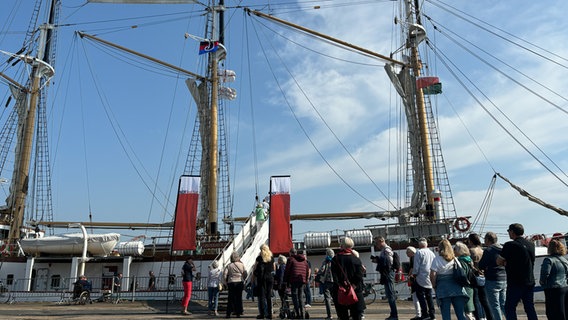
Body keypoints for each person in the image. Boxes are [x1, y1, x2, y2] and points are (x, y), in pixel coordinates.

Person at [496, 223, 538, 320]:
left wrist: (506, 263)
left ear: (512, 232)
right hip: (529, 280)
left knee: (510, 307)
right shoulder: (531, 244)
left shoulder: (510, 245)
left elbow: (498, 261)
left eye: (509, 231)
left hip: (515, 281)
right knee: (529, 307)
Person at [430, 239, 468, 320]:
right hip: (457, 288)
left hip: (443, 288)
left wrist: (434, 286)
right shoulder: (455, 259)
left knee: (446, 315)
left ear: (440, 248)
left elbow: (433, 274)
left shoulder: (437, 259)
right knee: (461, 314)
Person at [331, 236, 366, 320]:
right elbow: (359, 275)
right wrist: (353, 285)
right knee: (356, 315)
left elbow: (334, 276)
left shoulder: (335, 259)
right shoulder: (356, 259)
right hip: (355, 291)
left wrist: (341, 286)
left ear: (342, 246)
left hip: (340, 291)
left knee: (343, 316)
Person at [479, 232, 506, 320]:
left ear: (487, 240)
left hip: (492, 279)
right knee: (503, 304)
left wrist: (486, 267)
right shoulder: (503, 248)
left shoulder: (488, 250)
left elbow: (481, 265)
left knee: (494, 305)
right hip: (504, 278)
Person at [539, 239, 568, 320]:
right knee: (563, 311)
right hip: (564, 287)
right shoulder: (564, 260)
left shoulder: (548, 260)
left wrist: (542, 282)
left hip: (552, 289)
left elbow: (545, 273)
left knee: (552, 312)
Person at [467, 233, 493, 320]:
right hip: (483, 276)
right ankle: (489, 317)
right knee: (485, 300)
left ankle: (479, 317)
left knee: (475, 300)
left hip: (474, 276)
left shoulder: (471, 250)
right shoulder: (482, 250)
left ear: (471, 241)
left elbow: (470, 265)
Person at [372, 235, 398, 320]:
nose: (376, 245)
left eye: (376, 243)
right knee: (389, 294)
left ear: (380, 241)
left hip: (388, 274)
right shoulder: (384, 250)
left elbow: (388, 263)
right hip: (388, 273)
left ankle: (394, 315)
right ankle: (393, 314)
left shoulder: (386, 250)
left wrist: (379, 261)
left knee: (390, 294)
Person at [413, 237, 436, 320]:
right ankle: (432, 314)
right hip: (430, 276)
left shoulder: (419, 252)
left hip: (421, 277)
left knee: (421, 296)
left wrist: (414, 274)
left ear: (419, 245)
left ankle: (425, 313)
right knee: (429, 296)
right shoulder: (432, 253)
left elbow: (416, 266)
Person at [284, 247, 310, 319]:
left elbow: (287, 271)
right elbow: (307, 271)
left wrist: (285, 281)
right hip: (302, 280)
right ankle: (302, 314)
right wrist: (306, 280)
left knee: (295, 296)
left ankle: (298, 314)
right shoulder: (304, 261)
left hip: (294, 280)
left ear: (291, 253)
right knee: (300, 297)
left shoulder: (290, 259)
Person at [252, 244, 276, 319]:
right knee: (269, 297)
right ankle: (270, 314)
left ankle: (262, 314)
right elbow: (274, 268)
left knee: (261, 297)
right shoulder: (271, 258)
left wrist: (253, 279)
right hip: (269, 278)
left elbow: (255, 269)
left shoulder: (259, 258)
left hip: (261, 279)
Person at [454, 241, 475, 320]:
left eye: (455, 249)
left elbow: (462, 276)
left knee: (467, 312)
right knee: (469, 311)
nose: (454, 251)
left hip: (465, 288)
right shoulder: (468, 259)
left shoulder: (461, 261)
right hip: (470, 287)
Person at [225, 252, 247, 318]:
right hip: (239, 282)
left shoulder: (229, 265)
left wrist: (225, 283)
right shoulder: (241, 265)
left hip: (231, 282)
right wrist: (244, 278)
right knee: (239, 298)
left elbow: (225, 274)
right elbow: (245, 273)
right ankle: (238, 313)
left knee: (230, 298)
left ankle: (228, 313)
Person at [406, 246, 422, 320]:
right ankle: (420, 313)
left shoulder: (413, 258)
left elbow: (412, 268)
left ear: (412, 252)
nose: (406, 253)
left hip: (414, 280)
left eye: (408, 252)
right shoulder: (415, 257)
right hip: (419, 279)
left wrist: (409, 277)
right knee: (419, 296)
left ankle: (418, 314)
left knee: (415, 297)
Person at [319, 248, 335, 320]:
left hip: (327, 281)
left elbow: (321, 270)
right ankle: (340, 314)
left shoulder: (325, 261)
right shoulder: (336, 260)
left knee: (327, 299)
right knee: (336, 298)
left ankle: (330, 315)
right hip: (335, 281)